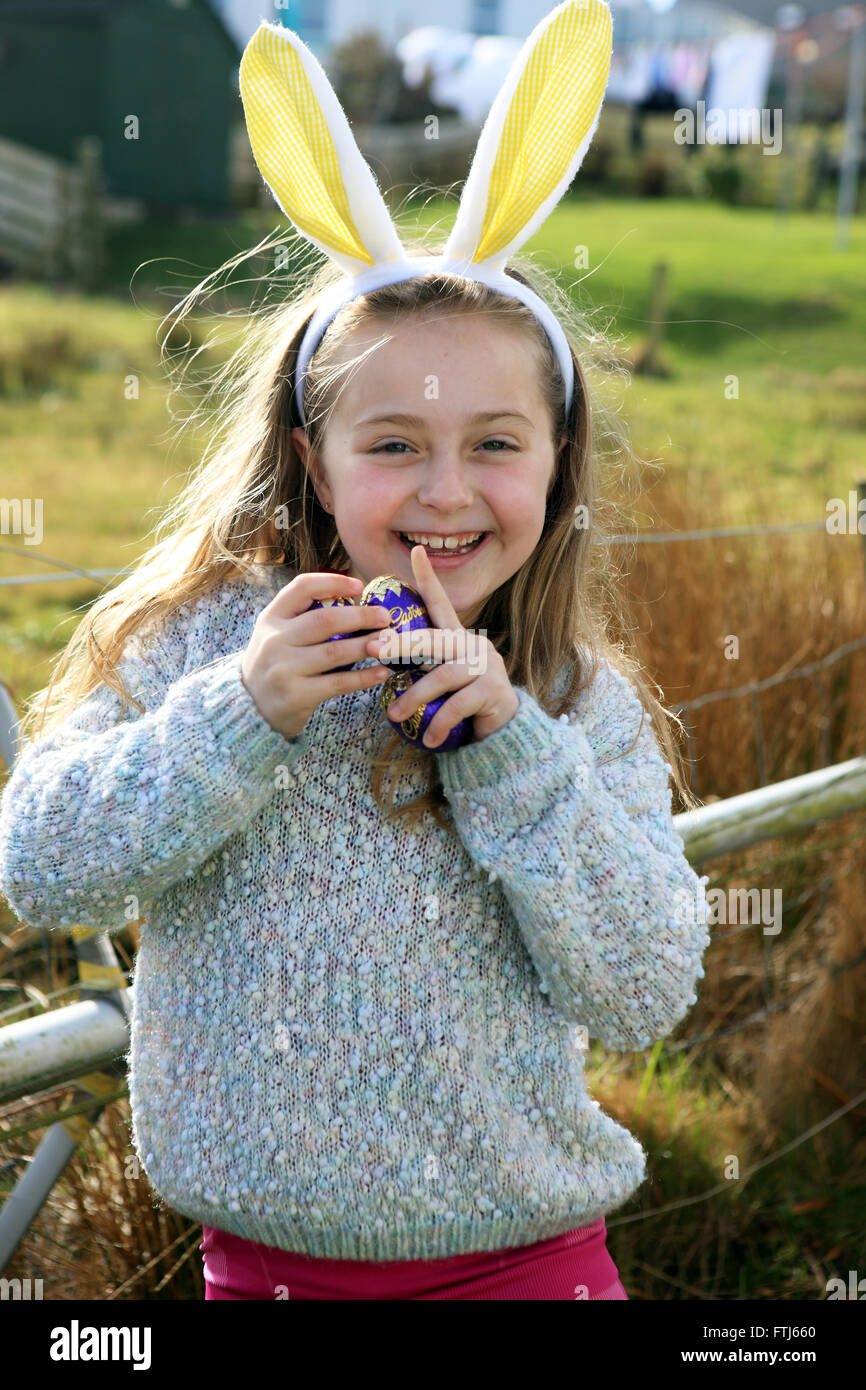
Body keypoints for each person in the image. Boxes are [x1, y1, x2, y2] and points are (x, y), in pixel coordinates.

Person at [0, 0, 711, 1300]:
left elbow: (643, 986)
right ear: (312, 464)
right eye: (391, 444)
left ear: (556, 472)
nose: (445, 491)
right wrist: (235, 718)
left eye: (495, 443)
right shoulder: (203, 644)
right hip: (258, 1279)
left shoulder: (565, 698)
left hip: (533, 1268)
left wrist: (510, 751)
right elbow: (46, 867)